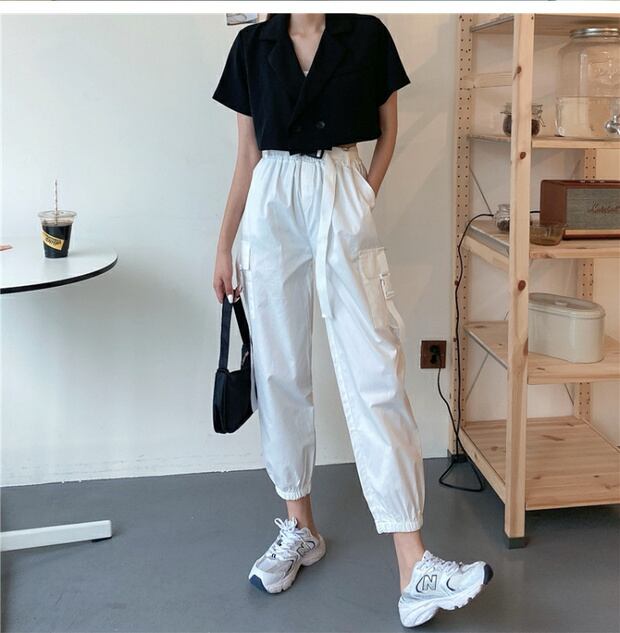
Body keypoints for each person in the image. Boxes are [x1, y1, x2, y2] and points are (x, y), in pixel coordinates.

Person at [212, 13, 493, 628]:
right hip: (270, 201)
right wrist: (224, 244)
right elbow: (247, 155)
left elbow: (388, 131)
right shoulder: (252, 44)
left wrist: (363, 192)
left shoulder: (365, 34)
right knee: (279, 373)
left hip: (341, 186)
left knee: (376, 371)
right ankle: (300, 528)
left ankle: (413, 565)